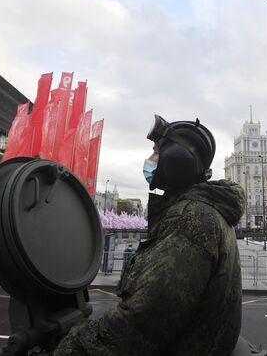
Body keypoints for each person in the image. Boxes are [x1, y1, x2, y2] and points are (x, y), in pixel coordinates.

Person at [54, 115, 245, 356]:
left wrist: (74, 344)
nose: (150, 159)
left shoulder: (189, 219)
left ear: (178, 161)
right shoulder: (204, 209)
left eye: (156, 152)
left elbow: (142, 322)